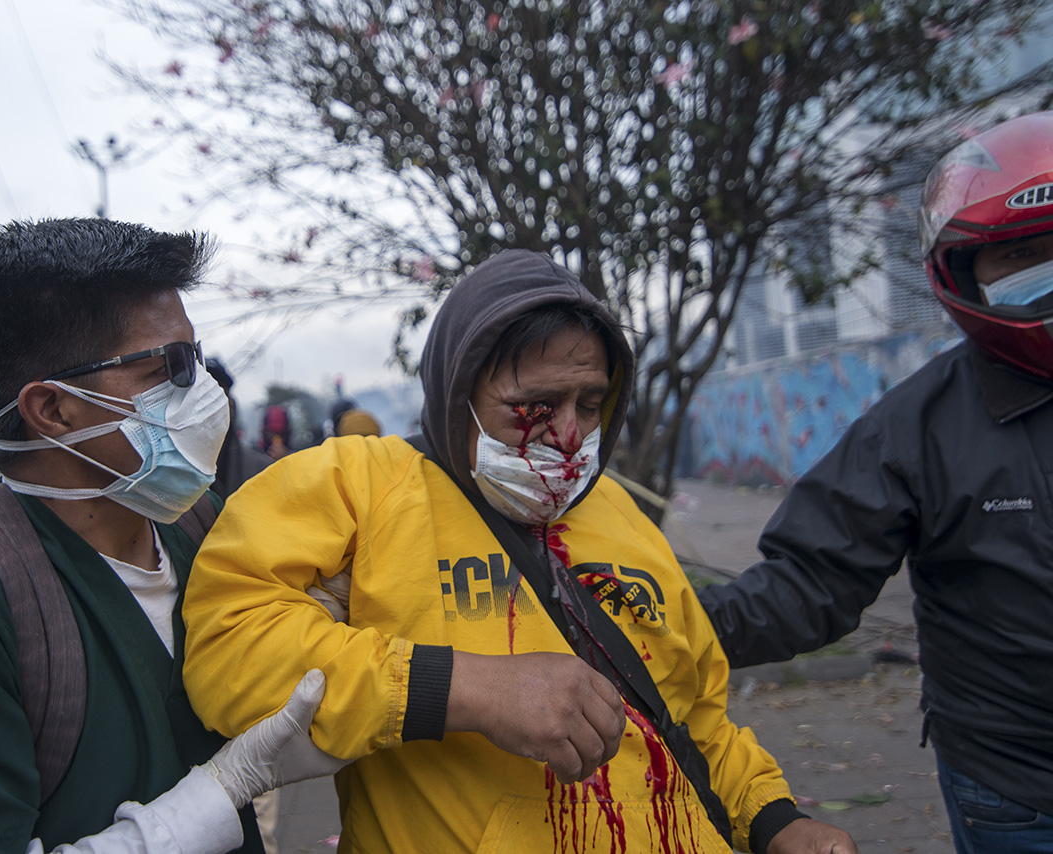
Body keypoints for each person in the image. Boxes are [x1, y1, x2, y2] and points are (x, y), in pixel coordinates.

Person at [182, 249, 856, 853]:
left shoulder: (622, 515)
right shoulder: (360, 487)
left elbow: (695, 715)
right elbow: (227, 647)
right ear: (460, 395)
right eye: (534, 405)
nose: (569, 437)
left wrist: (776, 820)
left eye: (589, 404)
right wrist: (467, 689)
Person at [0, 218, 344, 853]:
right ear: (53, 410)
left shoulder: (198, 525)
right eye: (168, 367)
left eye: (196, 356)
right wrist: (219, 792)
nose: (202, 390)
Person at [697, 111, 1053, 853]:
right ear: (963, 270)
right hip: (1015, 785)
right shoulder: (916, 427)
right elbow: (807, 584)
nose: (1043, 268)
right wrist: (659, 628)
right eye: (1020, 253)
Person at [204, 358, 272, 499]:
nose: (211, 403)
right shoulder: (166, 478)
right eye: (203, 392)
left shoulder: (262, 471)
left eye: (218, 392)